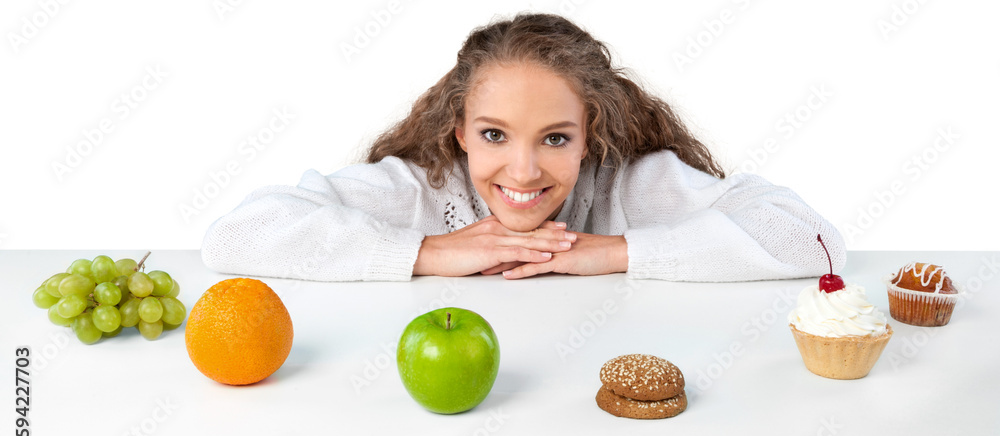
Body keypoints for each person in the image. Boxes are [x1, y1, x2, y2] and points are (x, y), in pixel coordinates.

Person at [201, 12, 845, 282]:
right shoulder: (422, 188)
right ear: (459, 134)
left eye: (556, 139)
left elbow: (812, 239)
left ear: (590, 136)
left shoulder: (626, 185)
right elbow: (234, 238)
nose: (524, 170)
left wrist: (618, 252)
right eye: (493, 136)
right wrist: (425, 253)